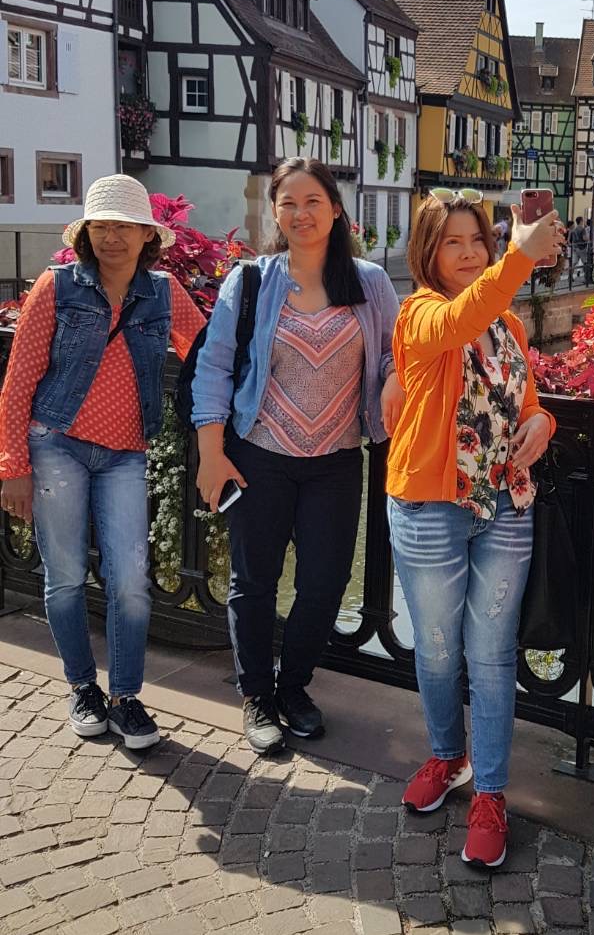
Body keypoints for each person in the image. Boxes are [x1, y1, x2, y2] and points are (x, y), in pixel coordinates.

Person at [190, 158, 401, 755]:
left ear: (335, 209)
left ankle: (294, 686)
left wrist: (393, 378)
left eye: (313, 202)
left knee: (325, 582)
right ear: (276, 213)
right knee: (254, 581)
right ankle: (257, 695)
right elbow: (213, 366)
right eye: (289, 203)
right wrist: (211, 452)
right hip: (259, 455)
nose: (301, 213)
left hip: (336, 459)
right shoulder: (252, 281)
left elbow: (394, 352)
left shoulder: (369, 282)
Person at [385, 188, 564, 868]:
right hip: (432, 506)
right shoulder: (420, 313)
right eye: (451, 243)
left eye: (477, 242)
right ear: (428, 253)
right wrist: (521, 255)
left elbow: (528, 400)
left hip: (505, 505)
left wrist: (543, 422)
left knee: (490, 654)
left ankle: (489, 791)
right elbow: (463, 318)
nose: (466, 253)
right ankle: (446, 755)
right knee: (437, 648)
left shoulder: (510, 324)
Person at [0, 176, 205, 749]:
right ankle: (82, 686)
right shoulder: (57, 287)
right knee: (65, 576)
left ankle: (127, 697)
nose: (112, 237)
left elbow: (207, 353)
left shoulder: (163, 292)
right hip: (56, 443)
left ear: (147, 235)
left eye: (124, 226)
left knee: (131, 582)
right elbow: (18, 382)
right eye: (101, 226)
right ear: (86, 233)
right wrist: (13, 465)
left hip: (126, 454)